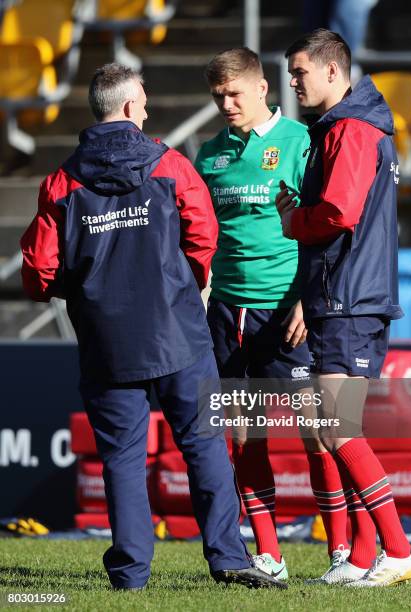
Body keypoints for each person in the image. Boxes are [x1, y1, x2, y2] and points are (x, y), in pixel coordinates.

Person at [20, 63, 286, 591]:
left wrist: (87, 293)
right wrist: (179, 288)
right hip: (180, 335)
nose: (145, 109)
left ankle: (131, 575)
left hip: (107, 343)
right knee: (205, 444)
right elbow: (202, 236)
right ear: (125, 108)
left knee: (122, 459)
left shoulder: (61, 182)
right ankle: (229, 560)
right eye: (142, 101)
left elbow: (38, 271)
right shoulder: (170, 165)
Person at [275, 29, 411, 587]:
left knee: (336, 428)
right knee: (336, 424)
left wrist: (297, 221)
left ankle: (400, 548)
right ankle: (363, 556)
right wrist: (305, 209)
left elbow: (339, 212)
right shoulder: (349, 127)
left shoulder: (353, 130)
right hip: (348, 293)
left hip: (348, 297)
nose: (294, 83)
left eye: (299, 72)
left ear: (332, 72)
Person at [195, 47, 311, 581]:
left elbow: (327, 229)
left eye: (234, 93)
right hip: (226, 311)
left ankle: (345, 554)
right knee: (242, 433)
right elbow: (199, 234)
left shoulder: (300, 142)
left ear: (263, 89)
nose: (226, 104)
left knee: (326, 430)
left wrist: (310, 297)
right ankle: (269, 553)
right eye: (218, 96)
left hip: (286, 307)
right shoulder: (208, 153)